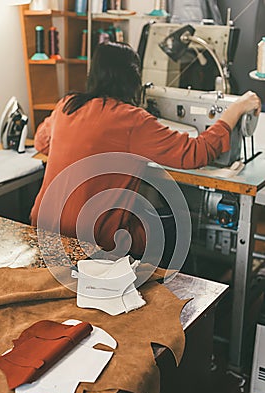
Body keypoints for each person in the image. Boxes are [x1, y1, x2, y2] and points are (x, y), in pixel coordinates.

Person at [30, 41, 261, 266]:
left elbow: (41, 142)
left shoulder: (67, 105)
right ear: (133, 78)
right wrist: (236, 108)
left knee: (140, 208)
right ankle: (170, 295)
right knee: (176, 222)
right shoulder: (132, 120)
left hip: (43, 225)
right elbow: (197, 152)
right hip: (93, 237)